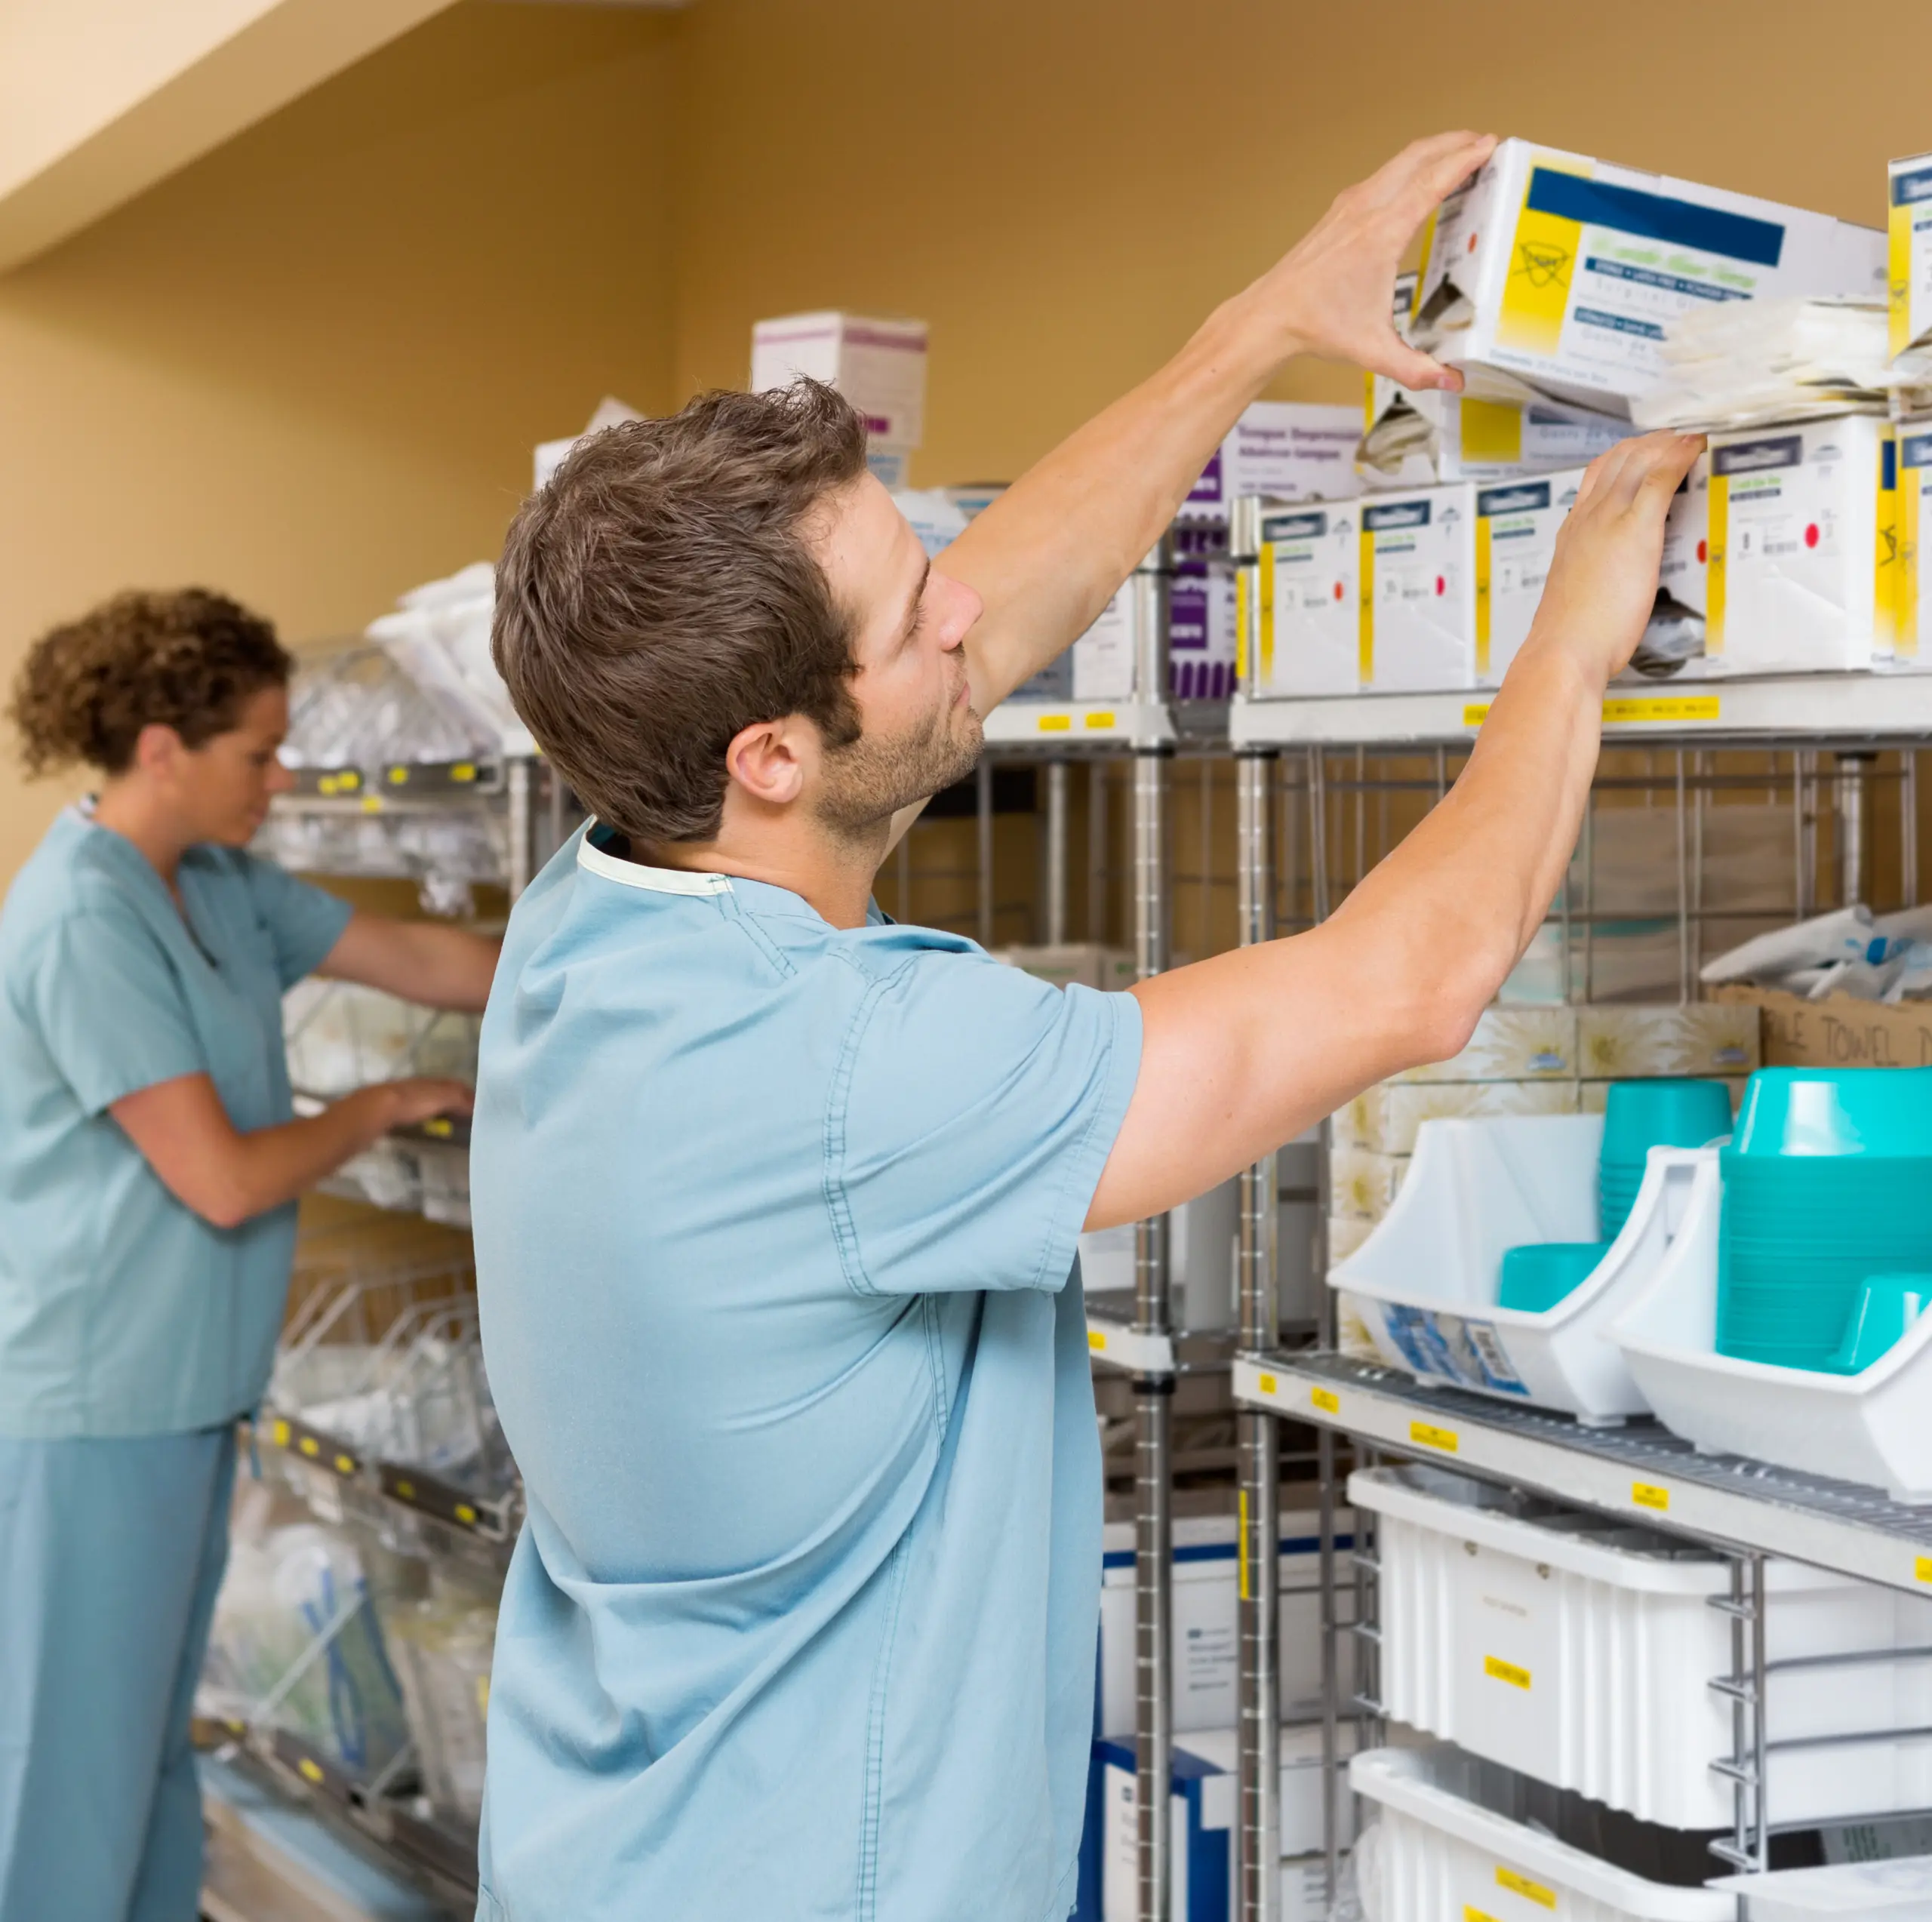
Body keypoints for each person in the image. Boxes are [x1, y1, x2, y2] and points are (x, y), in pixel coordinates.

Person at [468, 131, 1703, 1921]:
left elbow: (982, 612)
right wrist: (1570, 633)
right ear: (772, 757)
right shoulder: (854, 1064)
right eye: (912, 610)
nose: (960, 604)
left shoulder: (599, 908)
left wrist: (1263, 318)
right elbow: (1406, 981)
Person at [0, 588, 498, 1922]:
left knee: (157, 1748)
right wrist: (380, 1106)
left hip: (186, 1391)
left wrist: (607, 961)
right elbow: (218, 1177)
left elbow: (414, 954)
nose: (281, 779)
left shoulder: (212, 880)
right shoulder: (79, 919)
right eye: (257, 755)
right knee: (68, 1765)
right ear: (160, 748)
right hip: (93, 1408)